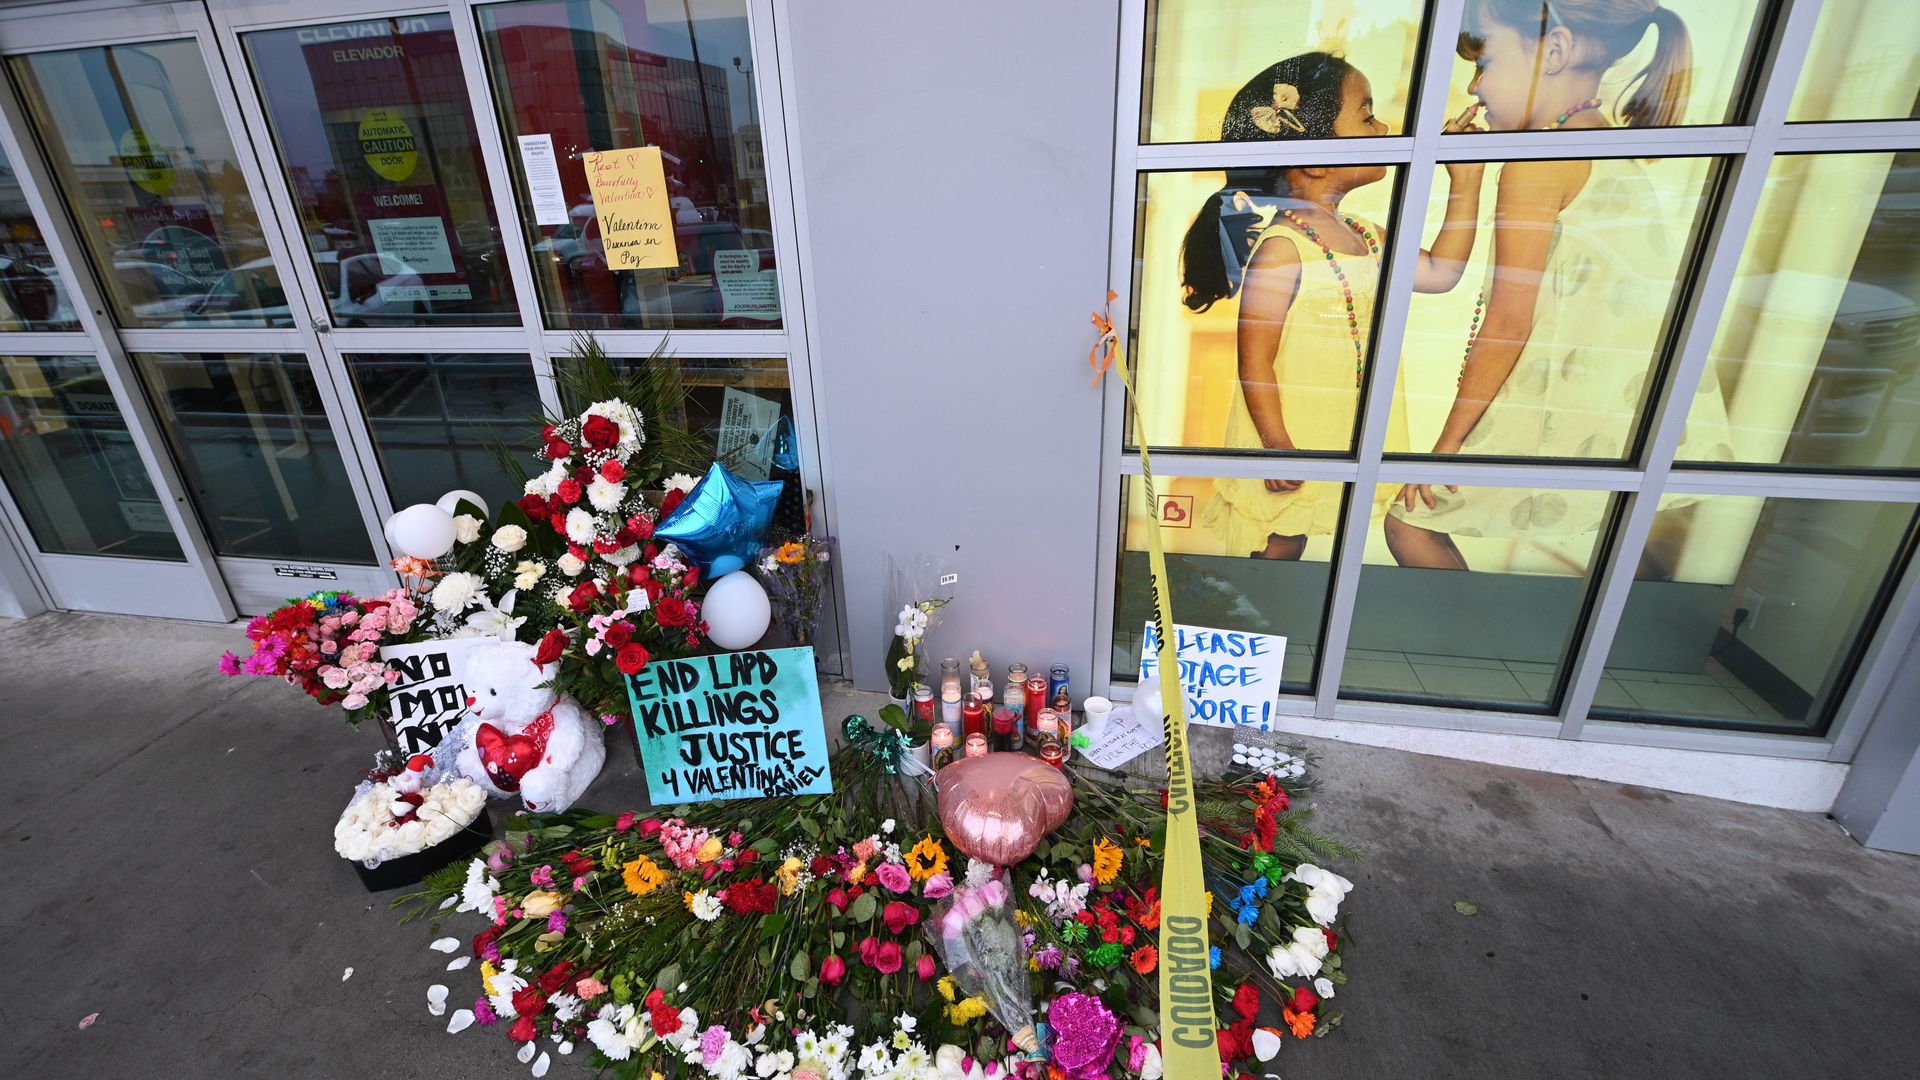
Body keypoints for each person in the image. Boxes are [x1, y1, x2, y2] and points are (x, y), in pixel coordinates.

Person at [1385, 0, 1733, 570]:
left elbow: (1506, 322)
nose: (1474, 89)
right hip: (1609, 408)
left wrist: (1443, 452)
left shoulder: (1538, 162)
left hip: (1566, 406)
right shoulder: (1606, 144)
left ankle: (1471, 650)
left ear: (1555, 52)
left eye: (1484, 62)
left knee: (1409, 526)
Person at [1181, 53, 1484, 560]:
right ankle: (1248, 627)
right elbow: (1254, 360)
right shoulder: (1282, 248)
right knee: (1278, 543)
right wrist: (1276, 445)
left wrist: (1466, 184)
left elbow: (1441, 273)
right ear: (1317, 160)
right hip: (1291, 433)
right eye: (1366, 116)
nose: (1384, 126)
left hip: (1341, 428)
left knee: (1295, 539)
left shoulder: (1366, 236)